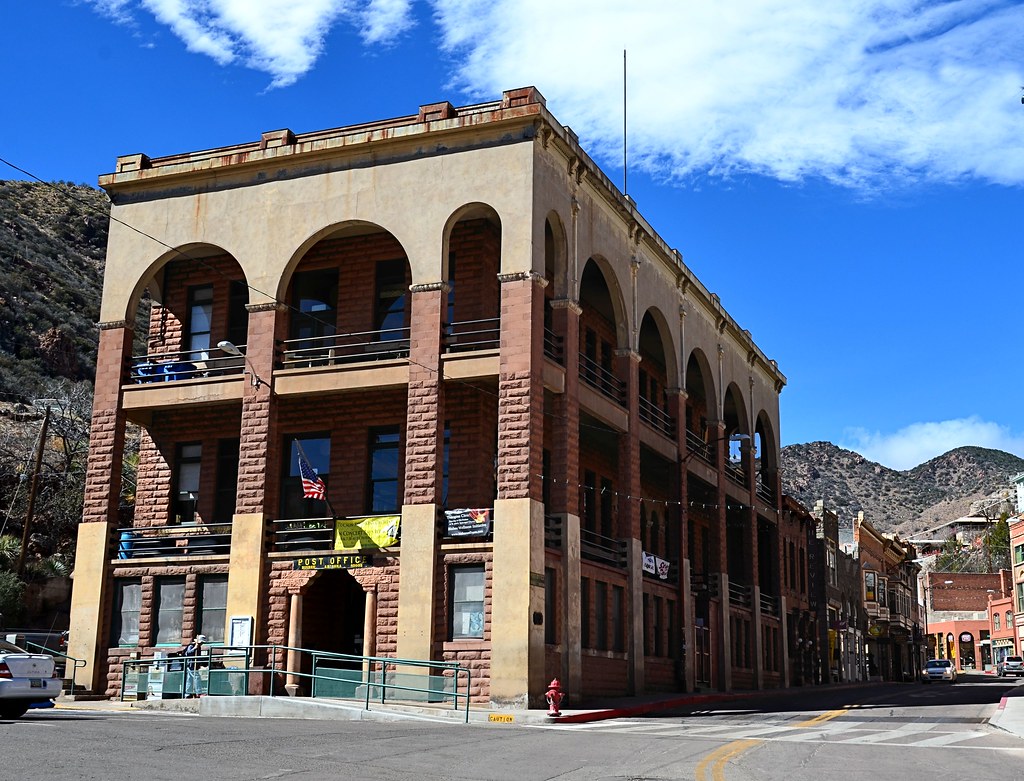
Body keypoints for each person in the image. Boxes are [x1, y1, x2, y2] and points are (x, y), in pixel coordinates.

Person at [182, 634, 208, 698]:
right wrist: (194, 648)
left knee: (189, 679)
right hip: (191, 665)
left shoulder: (199, 647)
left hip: (195, 665)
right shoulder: (191, 646)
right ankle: (198, 693)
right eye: (201, 642)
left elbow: (198, 657)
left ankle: (187, 694)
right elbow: (188, 653)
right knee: (197, 678)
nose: (201, 644)